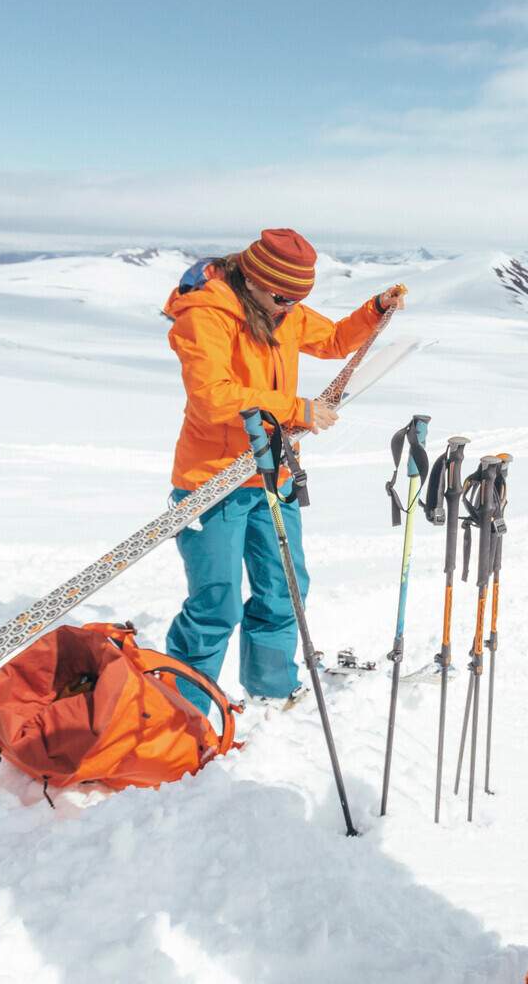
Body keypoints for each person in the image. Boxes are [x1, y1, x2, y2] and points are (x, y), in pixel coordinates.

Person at [160, 227, 405, 712]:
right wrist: (296, 410)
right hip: (213, 481)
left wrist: (373, 312)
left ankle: (271, 688)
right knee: (216, 604)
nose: (288, 307)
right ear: (252, 278)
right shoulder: (205, 314)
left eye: (297, 299)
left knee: (284, 588)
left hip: (273, 474)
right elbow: (212, 398)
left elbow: (334, 340)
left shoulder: (282, 308)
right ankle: (185, 711)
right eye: (280, 296)